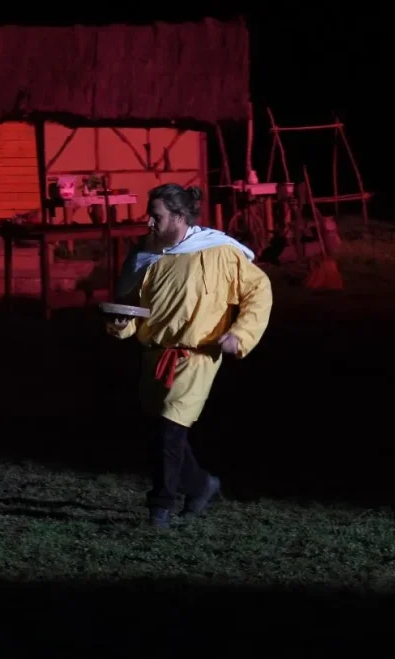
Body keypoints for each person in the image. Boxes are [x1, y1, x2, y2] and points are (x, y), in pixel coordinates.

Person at [107, 184, 273, 529]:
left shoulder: (218, 252)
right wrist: (121, 323)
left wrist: (241, 334)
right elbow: (130, 304)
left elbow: (259, 290)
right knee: (160, 432)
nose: (149, 223)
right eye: (150, 216)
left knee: (170, 430)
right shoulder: (145, 253)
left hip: (196, 356)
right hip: (155, 356)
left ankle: (160, 507)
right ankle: (202, 486)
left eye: (157, 216)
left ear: (180, 216)